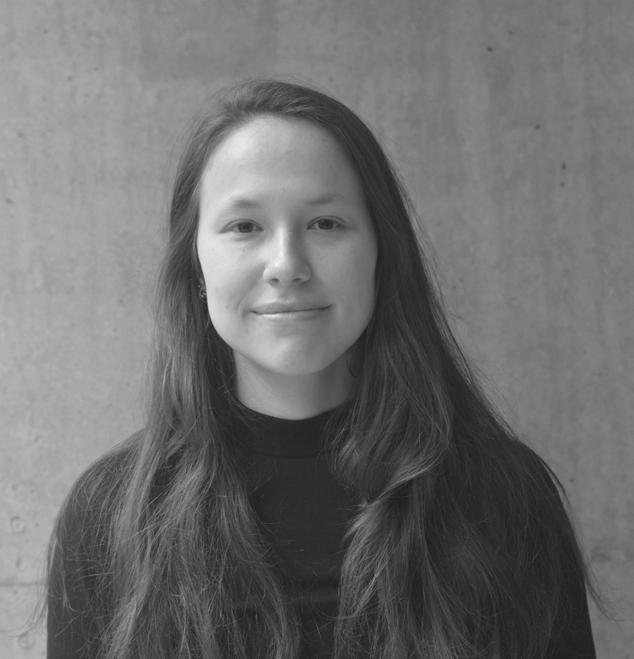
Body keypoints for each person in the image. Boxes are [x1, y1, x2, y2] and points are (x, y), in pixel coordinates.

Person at [45, 79, 598, 659]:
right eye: (245, 226)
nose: (286, 265)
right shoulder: (111, 515)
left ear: (381, 254)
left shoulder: (504, 495)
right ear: (196, 266)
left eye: (326, 223)